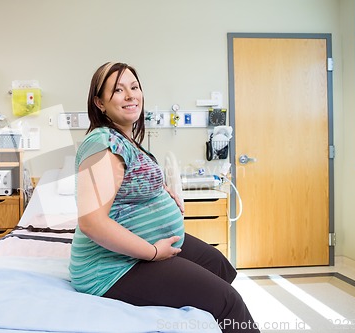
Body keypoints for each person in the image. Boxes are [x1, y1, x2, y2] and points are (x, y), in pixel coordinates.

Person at [69, 62, 260, 333]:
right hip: (111, 267)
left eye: (134, 87)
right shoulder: (102, 144)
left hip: (136, 249)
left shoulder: (125, 139)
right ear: (99, 103)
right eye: (118, 90)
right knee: (229, 302)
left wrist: (160, 190)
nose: (130, 95)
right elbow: (92, 222)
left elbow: (128, 184)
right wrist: (153, 252)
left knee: (218, 264)